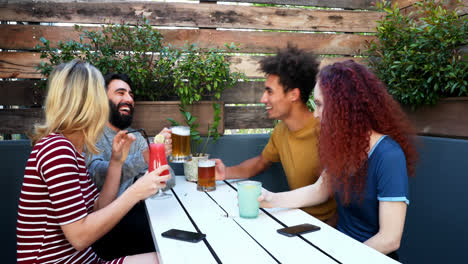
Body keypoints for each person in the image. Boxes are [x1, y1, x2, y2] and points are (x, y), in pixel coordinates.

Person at [259, 60, 418, 260]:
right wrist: (269, 198)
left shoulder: (389, 155)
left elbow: (389, 239)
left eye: (319, 105)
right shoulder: (344, 147)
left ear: (345, 108)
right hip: (338, 248)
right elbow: (320, 190)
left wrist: (341, 259)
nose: (315, 115)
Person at [17, 60, 170, 264]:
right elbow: (80, 237)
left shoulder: (72, 150)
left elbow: (97, 208)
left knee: (175, 256)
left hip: (87, 259)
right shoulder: (57, 150)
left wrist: (116, 162)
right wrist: (136, 192)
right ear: (88, 101)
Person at [214, 45, 337, 226]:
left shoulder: (326, 131)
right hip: (294, 220)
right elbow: (259, 163)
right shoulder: (281, 131)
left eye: (269, 91)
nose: (263, 99)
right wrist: (226, 173)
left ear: (293, 94)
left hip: (326, 228)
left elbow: (342, 198)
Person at [87, 73, 172, 259]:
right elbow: (97, 176)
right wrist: (142, 161)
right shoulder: (92, 134)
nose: (129, 99)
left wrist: (143, 176)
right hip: (105, 224)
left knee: (172, 225)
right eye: (120, 93)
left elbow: (169, 178)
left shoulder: (136, 136)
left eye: (131, 95)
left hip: (138, 213)